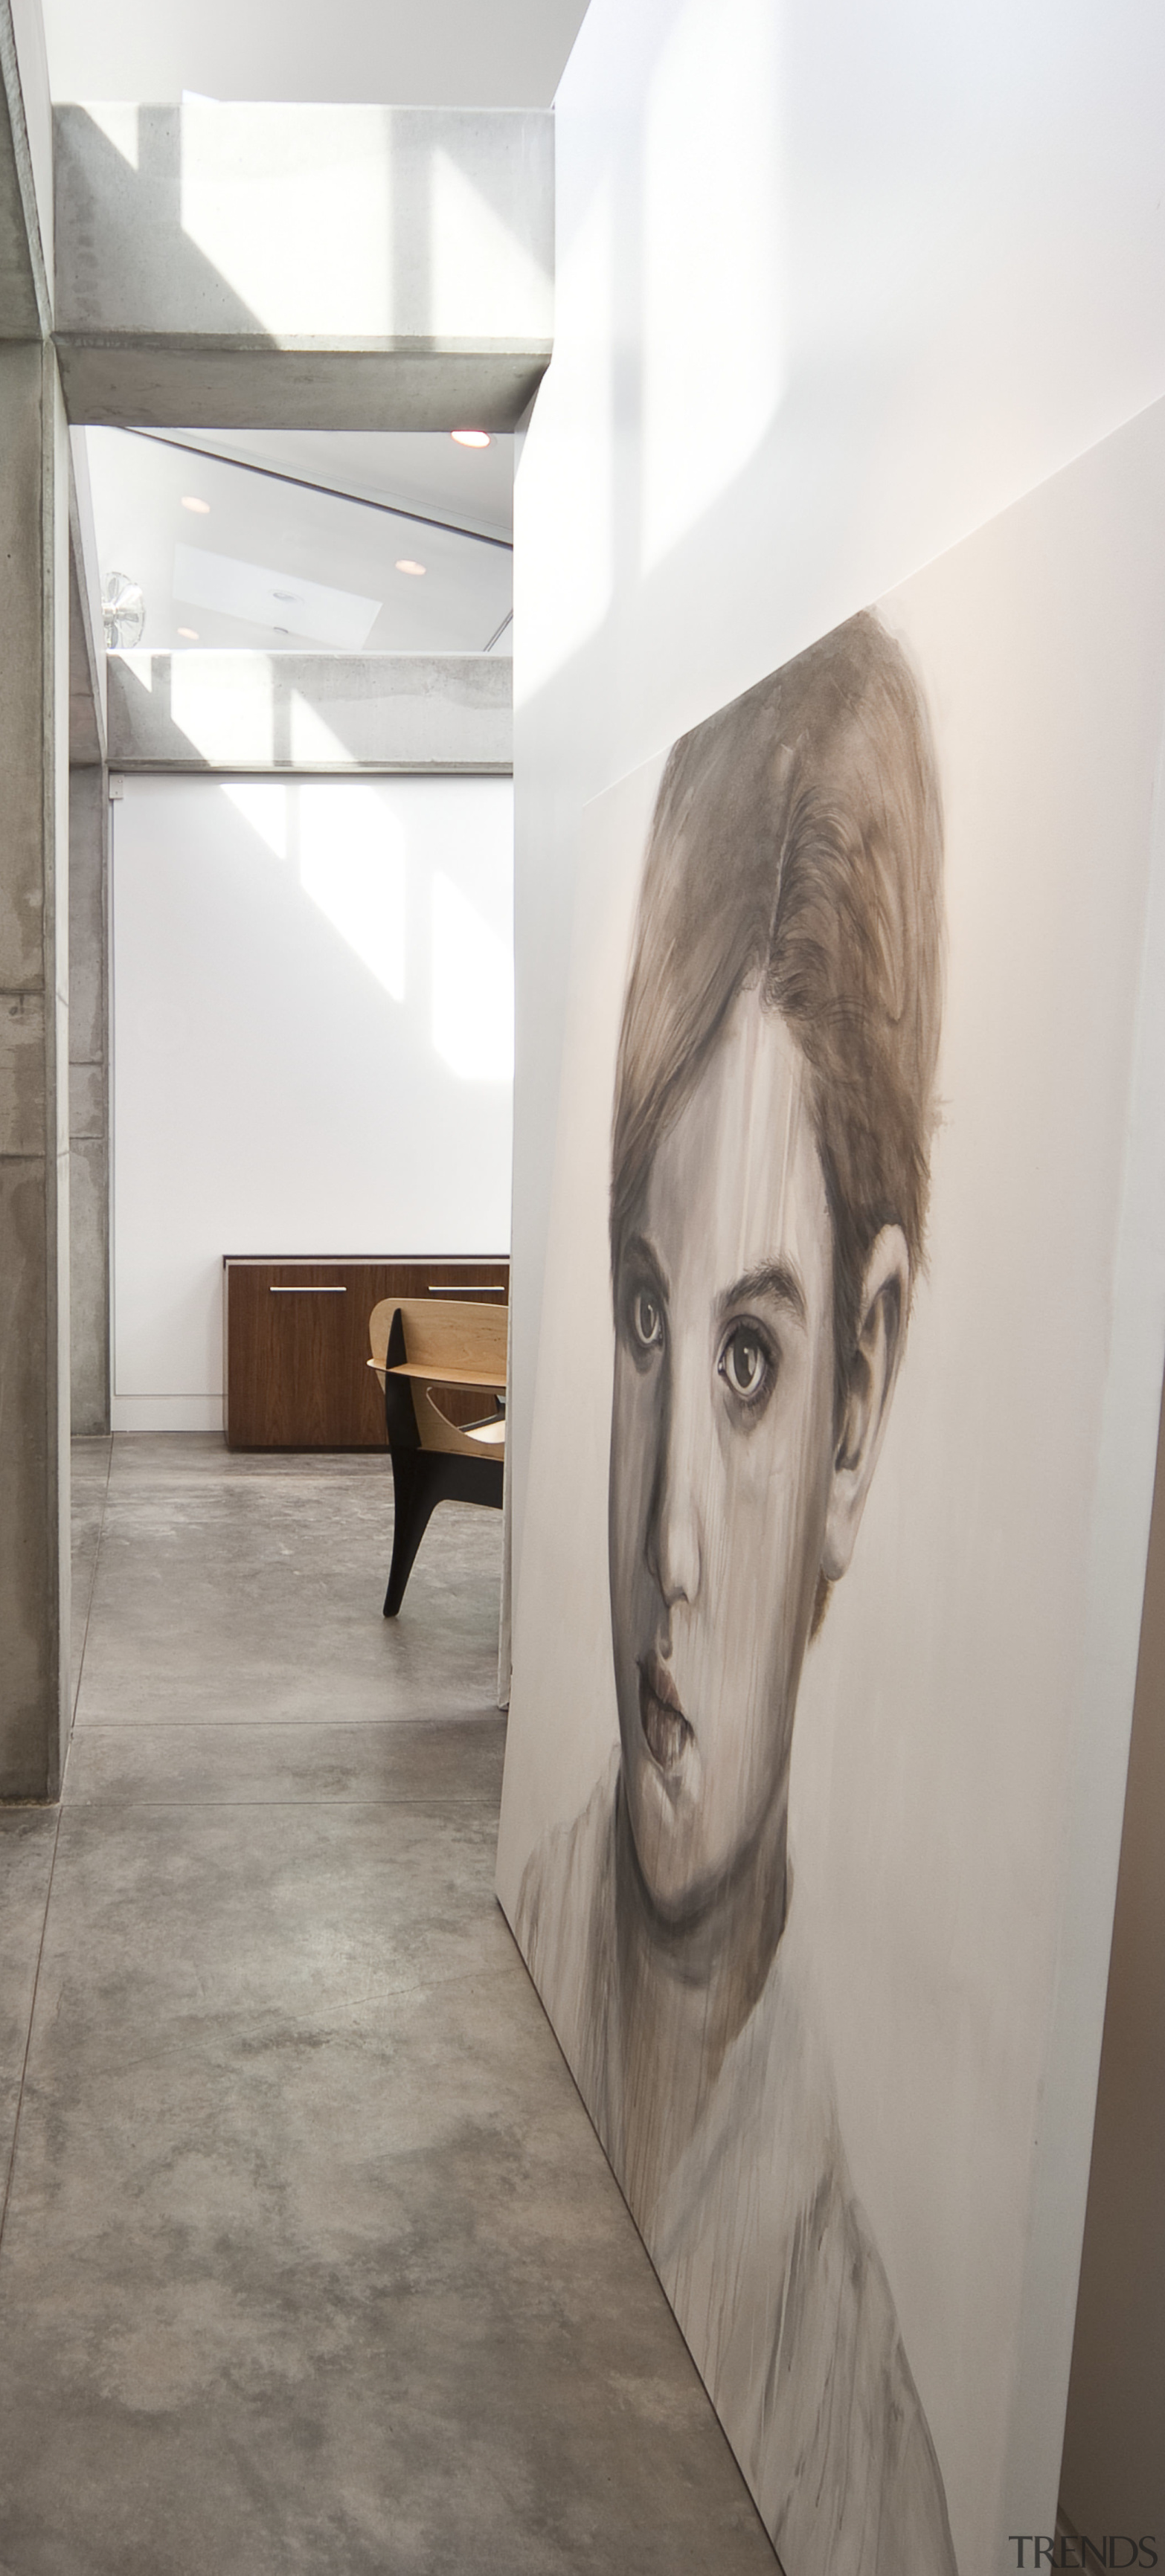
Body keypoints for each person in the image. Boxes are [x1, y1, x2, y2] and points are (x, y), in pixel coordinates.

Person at [514, 614, 957, 2576]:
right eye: (641, 1313)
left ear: (863, 1390)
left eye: (755, 1359)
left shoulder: (865, 2472)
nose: (669, 1539)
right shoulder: (531, 1916)